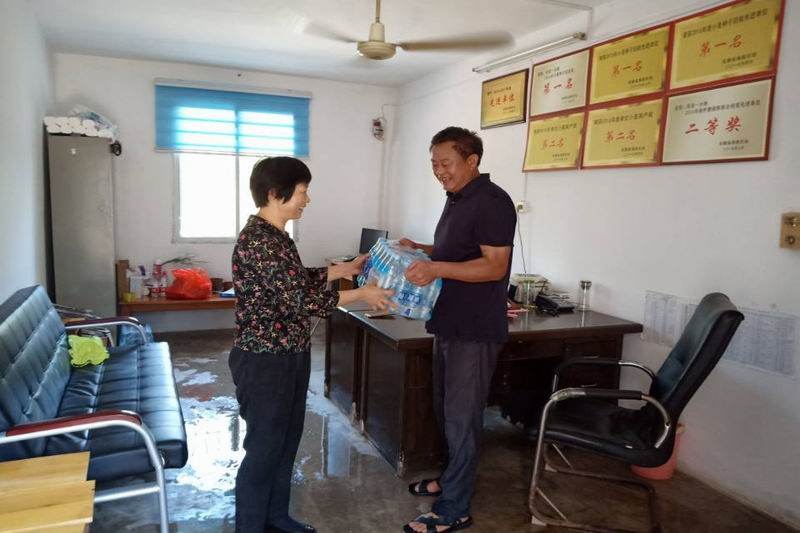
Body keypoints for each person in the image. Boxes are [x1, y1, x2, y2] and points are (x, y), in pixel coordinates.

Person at [229, 156, 393, 533]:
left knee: (285, 442)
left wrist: (344, 269)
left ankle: (275, 518)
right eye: (302, 191)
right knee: (264, 449)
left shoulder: (275, 237)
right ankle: (250, 526)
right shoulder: (260, 241)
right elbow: (302, 299)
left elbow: (294, 279)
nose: (307, 199)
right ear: (276, 193)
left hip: (289, 353)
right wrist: (362, 293)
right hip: (265, 360)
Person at [400, 127, 516, 533]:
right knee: (445, 411)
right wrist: (423, 250)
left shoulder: (492, 202)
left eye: (446, 163)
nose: (439, 171)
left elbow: (494, 266)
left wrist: (435, 268)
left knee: (461, 420)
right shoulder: (458, 198)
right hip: (449, 322)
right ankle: (450, 479)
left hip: (474, 328)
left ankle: (454, 509)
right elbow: (459, 252)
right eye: (434, 164)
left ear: (472, 160)